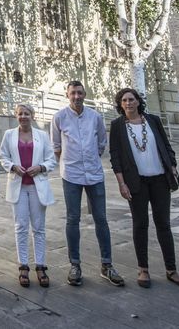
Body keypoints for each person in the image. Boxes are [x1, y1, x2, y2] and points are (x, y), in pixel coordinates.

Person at [109, 88, 179, 291]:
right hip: (136, 182)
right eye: (124, 100)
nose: (128, 103)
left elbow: (165, 145)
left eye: (132, 99)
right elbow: (115, 156)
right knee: (140, 224)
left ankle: (171, 270)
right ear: (120, 104)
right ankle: (143, 269)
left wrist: (172, 166)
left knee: (163, 224)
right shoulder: (117, 126)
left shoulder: (152, 120)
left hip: (160, 180)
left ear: (138, 102)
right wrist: (121, 182)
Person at [50, 80, 124, 287]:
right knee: (73, 219)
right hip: (71, 175)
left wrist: (91, 159)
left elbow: (102, 142)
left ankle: (107, 265)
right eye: (73, 93)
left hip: (94, 174)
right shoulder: (59, 117)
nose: (76, 96)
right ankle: (75, 264)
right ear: (67, 95)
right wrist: (68, 162)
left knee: (101, 218)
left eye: (80, 93)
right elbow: (56, 146)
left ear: (84, 94)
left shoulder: (95, 117)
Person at [0, 103, 56, 287]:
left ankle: (40, 265)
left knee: (39, 228)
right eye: (20, 114)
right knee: (20, 226)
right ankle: (23, 265)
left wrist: (41, 167)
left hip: (37, 185)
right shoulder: (9, 135)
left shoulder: (42, 136)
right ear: (16, 116)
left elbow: (51, 159)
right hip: (18, 185)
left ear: (33, 115)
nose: (23, 116)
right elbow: (3, 156)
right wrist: (12, 167)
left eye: (27, 113)